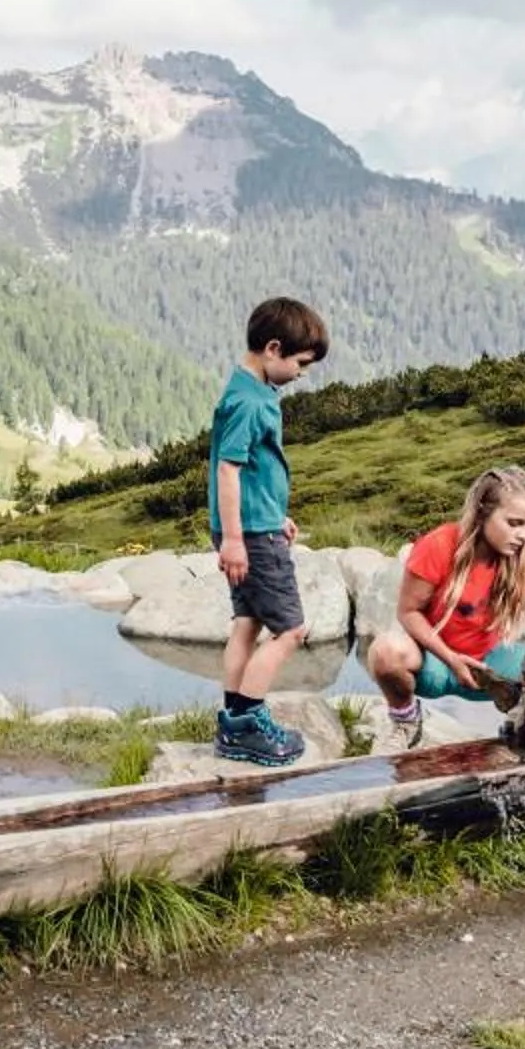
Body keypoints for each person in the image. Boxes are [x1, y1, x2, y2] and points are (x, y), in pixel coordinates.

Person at [364, 465, 525, 751]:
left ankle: (522, 731)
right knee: (384, 651)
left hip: (490, 668)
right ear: (483, 511)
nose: (523, 535)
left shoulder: (522, 559)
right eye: (514, 523)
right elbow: (408, 612)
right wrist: (451, 658)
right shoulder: (439, 545)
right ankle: (406, 720)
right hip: (436, 662)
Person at [208, 297, 329, 766]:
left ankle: (233, 719)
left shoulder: (249, 391)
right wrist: (238, 539)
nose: (302, 373)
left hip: (257, 525)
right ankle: (248, 725)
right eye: (300, 364)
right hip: (251, 537)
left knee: (248, 622)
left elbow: (255, 470)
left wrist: (275, 512)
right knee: (291, 630)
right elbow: (228, 470)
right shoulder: (248, 402)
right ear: (273, 348)